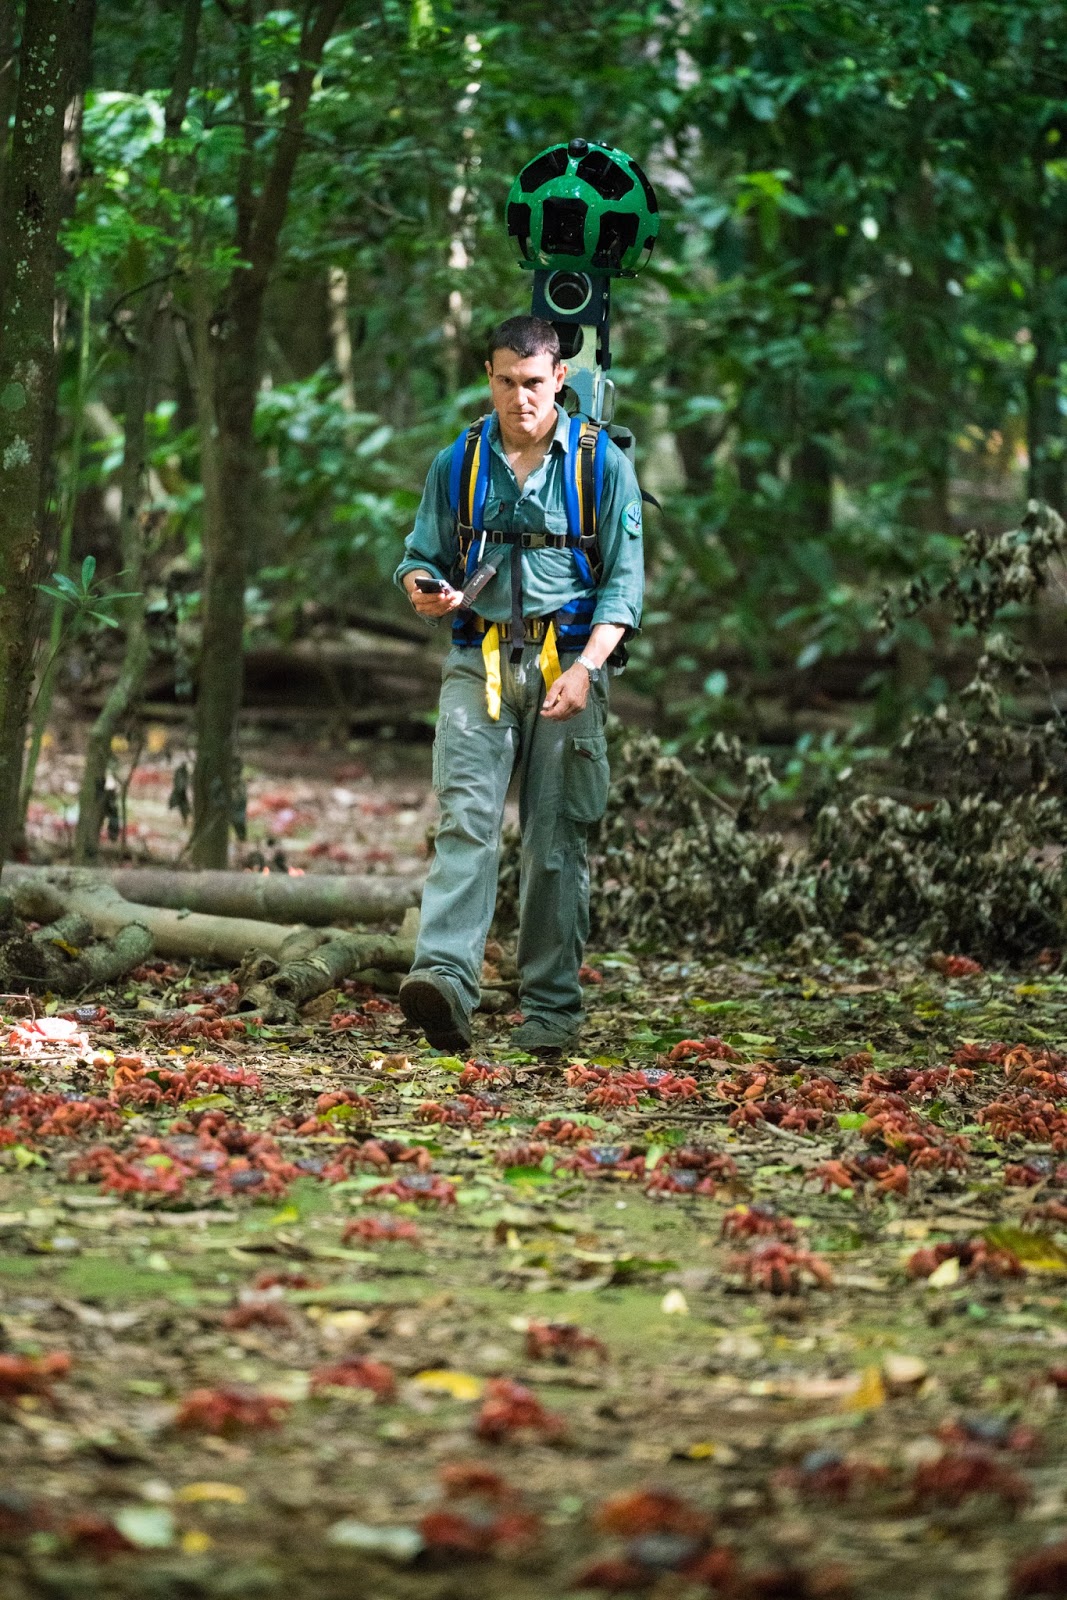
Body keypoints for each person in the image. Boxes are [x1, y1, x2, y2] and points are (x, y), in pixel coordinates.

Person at [393, 315, 644, 1057]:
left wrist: (586, 668)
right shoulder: (459, 461)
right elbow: (417, 556)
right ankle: (442, 982)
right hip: (480, 663)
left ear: (558, 378)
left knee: (553, 840)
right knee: (466, 820)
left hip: (568, 662)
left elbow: (624, 593)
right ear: (488, 375)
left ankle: (551, 1011)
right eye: (504, 381)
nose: (519, 398)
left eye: (533, 383)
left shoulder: (600, 464)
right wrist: (425, 588)